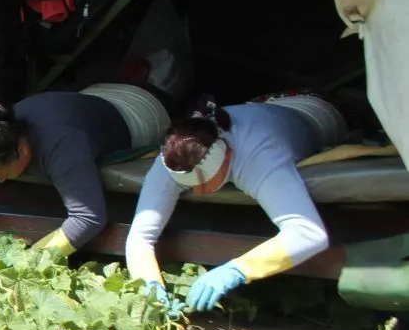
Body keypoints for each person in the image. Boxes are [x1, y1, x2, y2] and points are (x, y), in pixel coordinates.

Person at [126, 94, 347, 311]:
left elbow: (309, 233)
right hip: (262, 105)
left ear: (228, 156)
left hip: (319, 111)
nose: (199, 192)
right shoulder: (173, 155)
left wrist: (237, 270)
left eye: (206, 182)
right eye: (188, 184)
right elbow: (140, 236)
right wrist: (150, 286)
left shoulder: (261, 157)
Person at [0, 84, 171, 258]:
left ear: (22, 149)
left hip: (142, 111)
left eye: (1, 174)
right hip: (94, 96)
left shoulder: (62, 145)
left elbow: (89, 218)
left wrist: (32, 260)